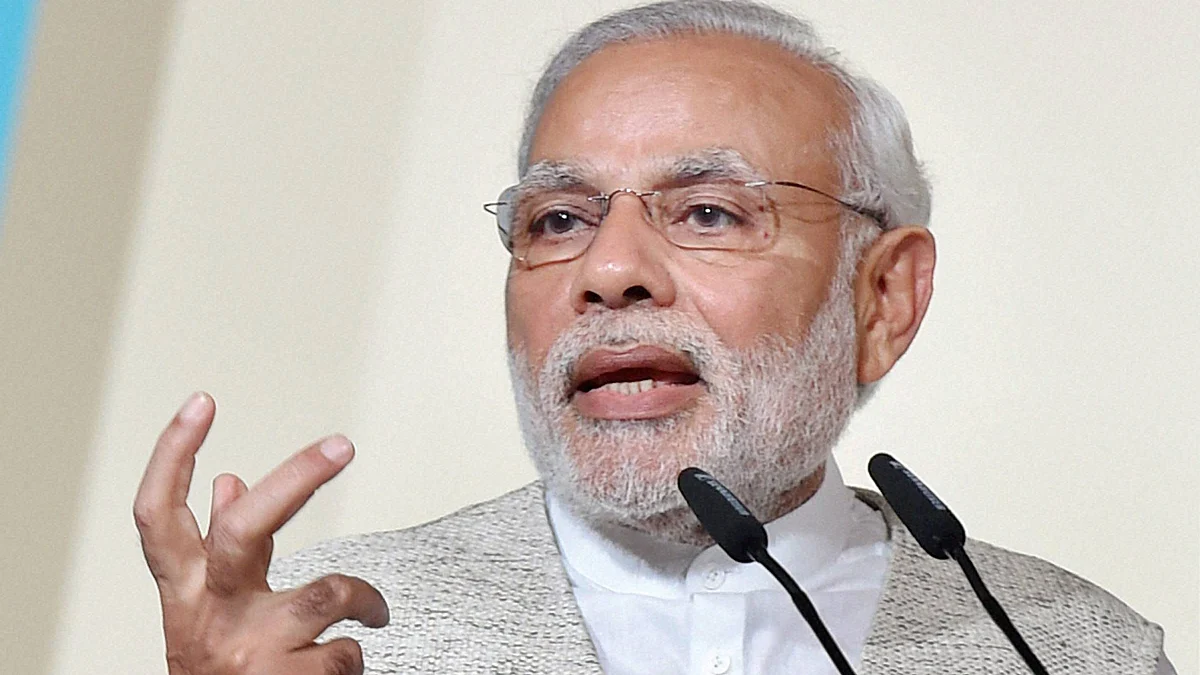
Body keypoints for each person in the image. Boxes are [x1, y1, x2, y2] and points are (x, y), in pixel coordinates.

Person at [133, 1, 1171, 673]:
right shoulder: (319, 634)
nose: (608, 269)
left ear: (884, 296)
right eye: (558, 219)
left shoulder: (1072, 651)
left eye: (710, 211)